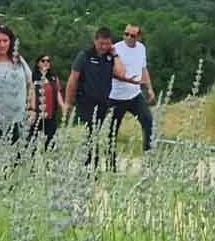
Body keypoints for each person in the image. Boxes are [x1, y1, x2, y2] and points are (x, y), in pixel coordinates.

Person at [65, 27, 136, 167]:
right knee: (91, 133)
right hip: (86, 101)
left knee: (97, 134)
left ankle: (93, 165)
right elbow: (73, 78)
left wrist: (115, 55)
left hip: (103, 101)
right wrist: (68, 102)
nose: (104, 47)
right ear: (95, 41)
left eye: (107, 44)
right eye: (101, 43)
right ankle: (90, 166)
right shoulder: (84, 56)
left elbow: (121, 73)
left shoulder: (110, 57)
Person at [109, 24, 155, 158]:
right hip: (116, 97)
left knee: (148, 121)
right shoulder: (116, 49)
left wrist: (150, 88)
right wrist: (127, 80)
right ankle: (111, 163)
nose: (128, 37)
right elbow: (110, 72)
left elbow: (143, 69)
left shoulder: (141, 48)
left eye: (132, 35)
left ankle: (148, 157)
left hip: (135, 95)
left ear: (139, 37)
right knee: (112, 131)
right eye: (126, 34)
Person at [30, 55, 65, 151]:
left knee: (51, 140)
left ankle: (49, 155)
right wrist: (32, 109)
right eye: (43, 60)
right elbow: (31, 93)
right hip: (37, 114)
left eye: (48, 61)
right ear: (38, 63)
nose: (46, 62)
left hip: (50, 113)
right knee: (32, 139)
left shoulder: (53, 77)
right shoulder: (33, 77)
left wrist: (63, 106)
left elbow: (57, 92)